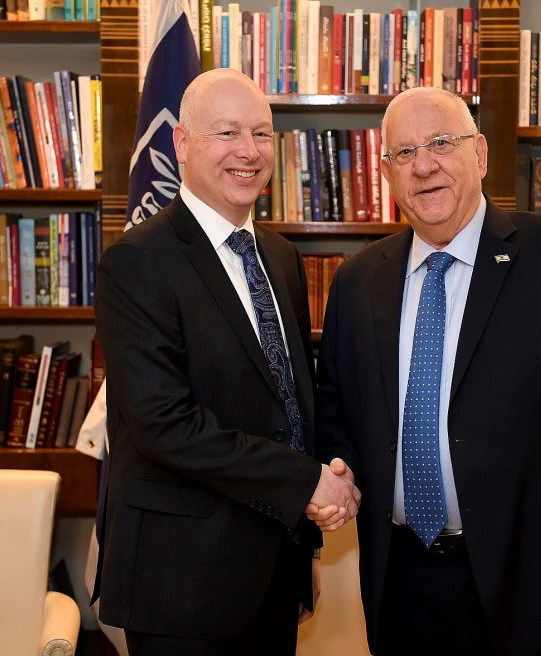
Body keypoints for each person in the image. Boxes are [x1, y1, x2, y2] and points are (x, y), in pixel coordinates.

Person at [310, 86, 541, 655]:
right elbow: (337, 407)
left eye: (442, 143)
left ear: (481, 154)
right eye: (404, 153)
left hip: (535, 580)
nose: (424, 166)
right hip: (401, 581)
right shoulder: (357, 280)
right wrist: (337, 475)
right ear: (388, 174)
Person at [92, 69, 359, 656]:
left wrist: (302, 547)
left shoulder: (283, 258)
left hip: (273, 571)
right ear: (182, 145)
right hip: (182, 584)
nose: (249, 151)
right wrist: (305, 484)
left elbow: (289, 404)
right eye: (227, 133)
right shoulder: (137, 262)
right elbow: (165, 425)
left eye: (262, 134)